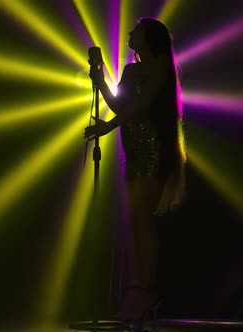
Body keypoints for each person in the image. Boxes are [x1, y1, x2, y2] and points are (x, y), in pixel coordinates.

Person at [84, 17, 186, 321]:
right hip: (134, 147)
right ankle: (142, 289)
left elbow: (139, 105)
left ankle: (146, 290)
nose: (130, 33)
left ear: (150, 37)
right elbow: (122, 107)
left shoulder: (161, 67)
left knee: (141, 219)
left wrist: (107, 128)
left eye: (136, 30)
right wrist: (100, 80)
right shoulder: (130, 70)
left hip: (153, 147)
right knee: (135, 220)